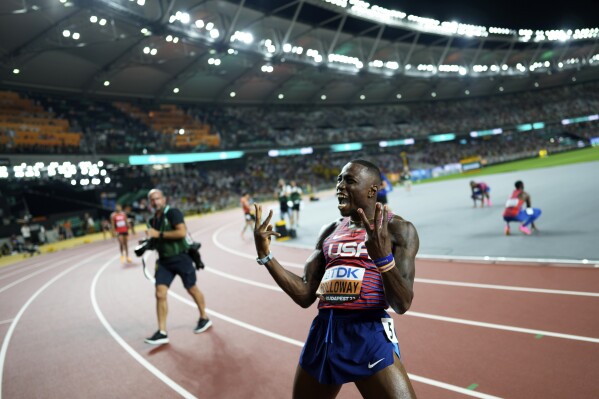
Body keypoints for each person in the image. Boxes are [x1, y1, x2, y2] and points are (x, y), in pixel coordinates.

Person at [253, 159, 419, 398]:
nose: (340, 186)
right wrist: (266, 256)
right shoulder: (330, 231)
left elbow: (402, 303)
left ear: (372, 189)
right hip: (325, 332)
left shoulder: (399, 230)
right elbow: (304, 294)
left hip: (367, 332)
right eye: (339, 179)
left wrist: (383, 259)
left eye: (349, 180)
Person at [144, 188, 212, 345]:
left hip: (181, 258)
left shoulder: (173, 213)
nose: (155, 202)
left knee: (191, 288)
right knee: (160, 293)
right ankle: (162, 332)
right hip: (164, 261)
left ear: (164, 199)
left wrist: (158, 235)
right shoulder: (153, 220)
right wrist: (146, 244)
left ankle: (204, 317)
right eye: (152, 200)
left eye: (157, 198)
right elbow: (155, 239)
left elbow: (181, 233)